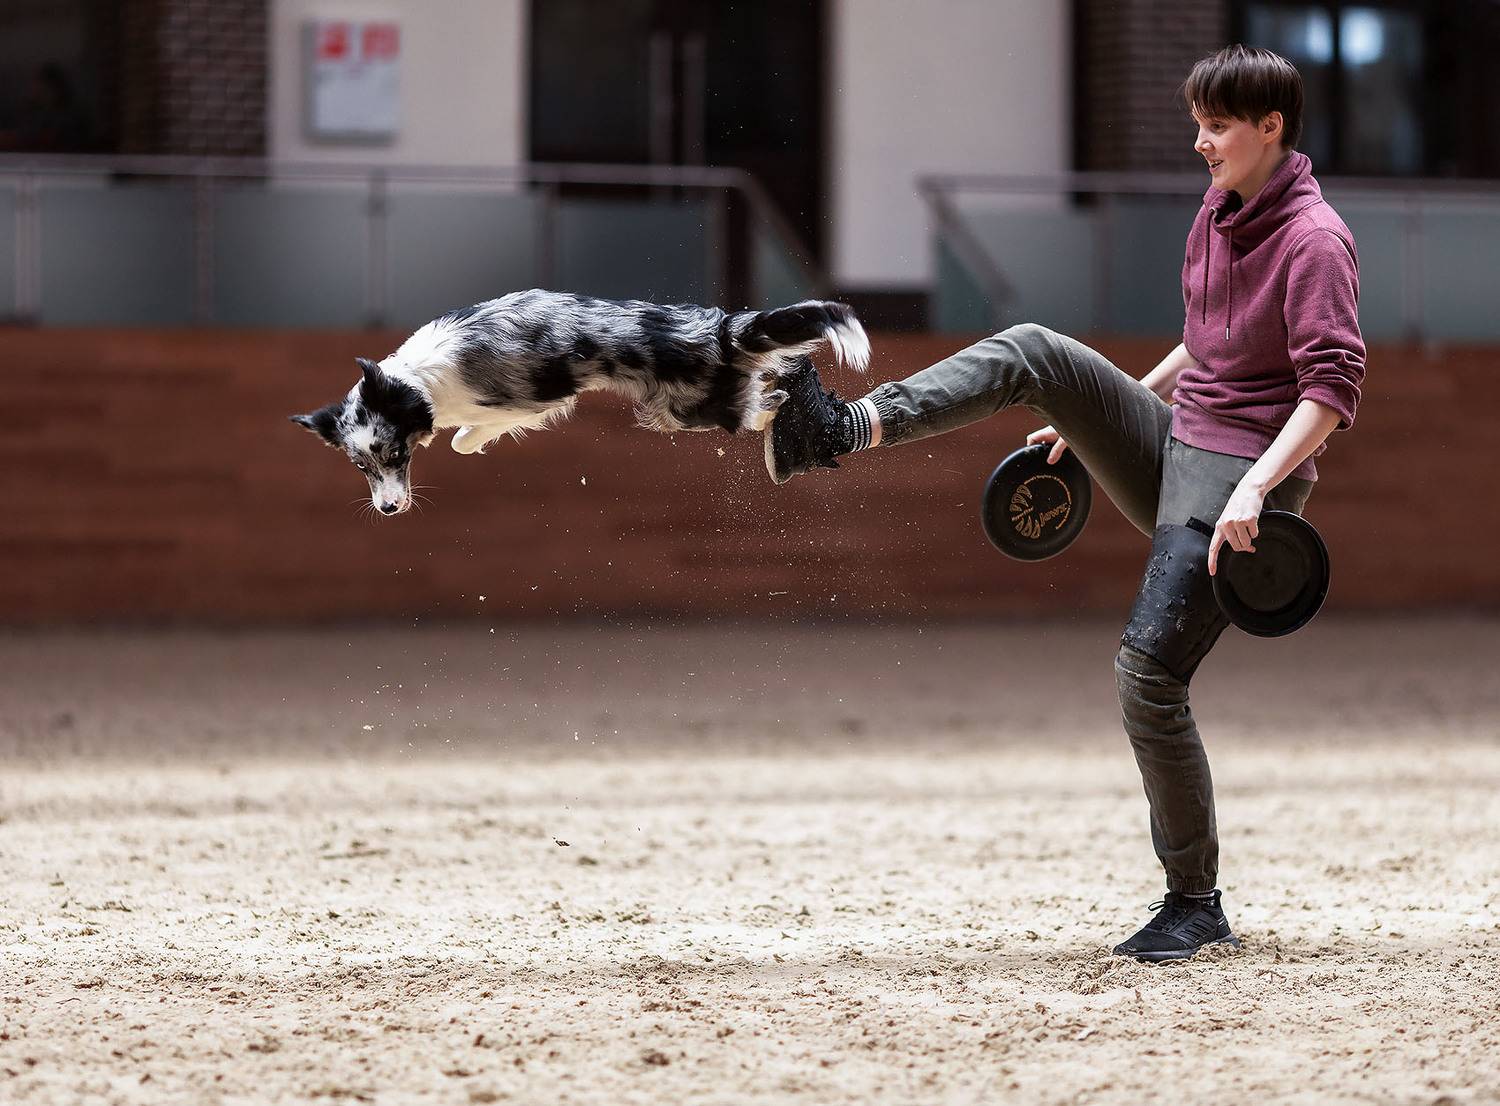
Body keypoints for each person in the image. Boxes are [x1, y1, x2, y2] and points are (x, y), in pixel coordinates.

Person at [765, 45, 1365, 961]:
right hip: (1180, 440)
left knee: (1148, 678)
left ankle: (1195, 903)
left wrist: (1254, 486)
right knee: (1034, 352)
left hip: (1248, 476)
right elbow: (1206, 341)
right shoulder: (1220, 210)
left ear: (1272, 127)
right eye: (1196, 124)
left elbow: (1331, 390)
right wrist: (1105, 409)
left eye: (1218, 127)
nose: (1200, 143)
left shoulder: (1316, 240)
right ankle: (844, 430)